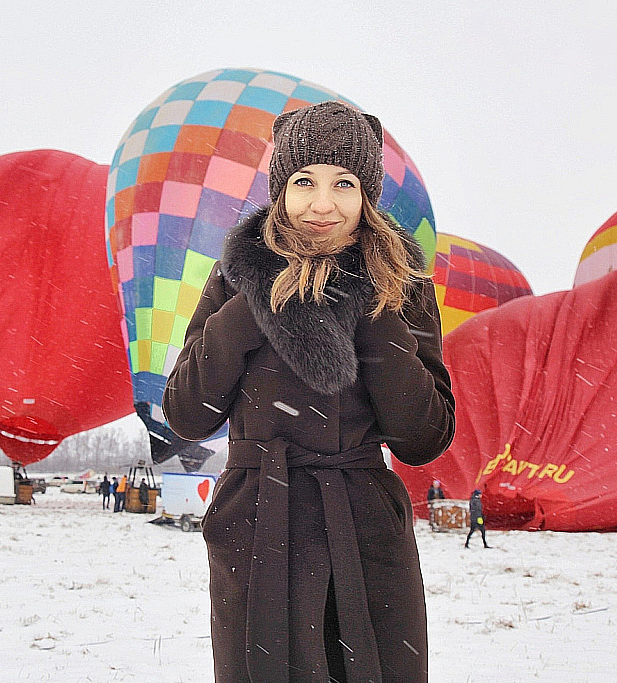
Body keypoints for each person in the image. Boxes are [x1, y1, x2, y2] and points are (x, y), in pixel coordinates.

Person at [163, 101, 455, 682]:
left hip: (365, 525)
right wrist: (249, 312)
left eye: (344, 183)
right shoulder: (234, 277)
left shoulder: (402, 285)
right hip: (258, 522)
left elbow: (424, 437)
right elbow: (187, 412)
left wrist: (376, 313)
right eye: (304, 182)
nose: (323, 204)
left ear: (367, 194)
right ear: (280, 190)